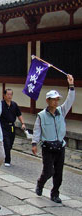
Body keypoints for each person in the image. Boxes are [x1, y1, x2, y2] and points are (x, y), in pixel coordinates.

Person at [32, 75, 75, 204]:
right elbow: (37, 130)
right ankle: (40, 183)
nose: (56, 102)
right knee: (48, 171)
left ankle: (55, 193)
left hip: (60, 146)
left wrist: (71, 85)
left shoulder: (61, 111)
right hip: (47, 147)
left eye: (57, 100)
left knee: (59, 173)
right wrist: (34, 143)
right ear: (47, 101)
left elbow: (70, 100)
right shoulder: (41, 115)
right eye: (53, 100)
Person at [0, 89, 26, 167]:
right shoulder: (1, 104)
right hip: (3, 126)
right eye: (8, 94)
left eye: (11, 94)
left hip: (12, 126)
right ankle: (7, 160)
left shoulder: (14, 104)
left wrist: (23, 123)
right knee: (6, 143)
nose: (9, 96)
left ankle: (4, 154)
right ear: (4, 95)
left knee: (10, 143)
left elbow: (19, 114)